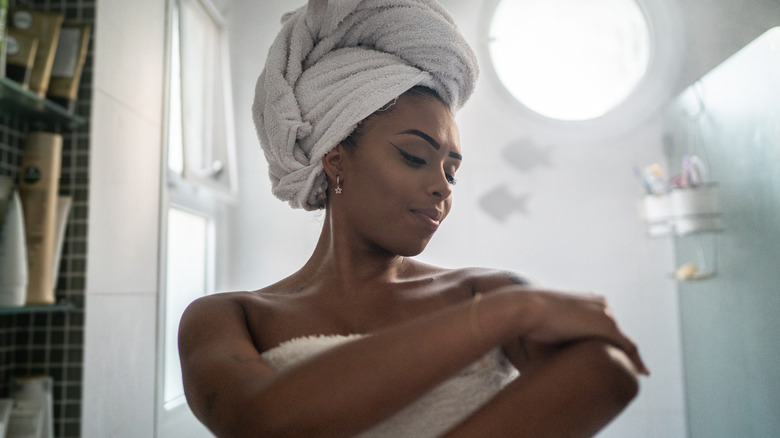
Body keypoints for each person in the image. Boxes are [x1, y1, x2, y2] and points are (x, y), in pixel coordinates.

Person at [178, 1, 650, 437]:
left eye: (452, 171)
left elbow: (607, 373)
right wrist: (511, 313)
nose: (443, 187)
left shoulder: (483, 290)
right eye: (414, 156)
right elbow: (259, 421)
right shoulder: (228, 317)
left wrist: (507, 305)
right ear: (336, 160)